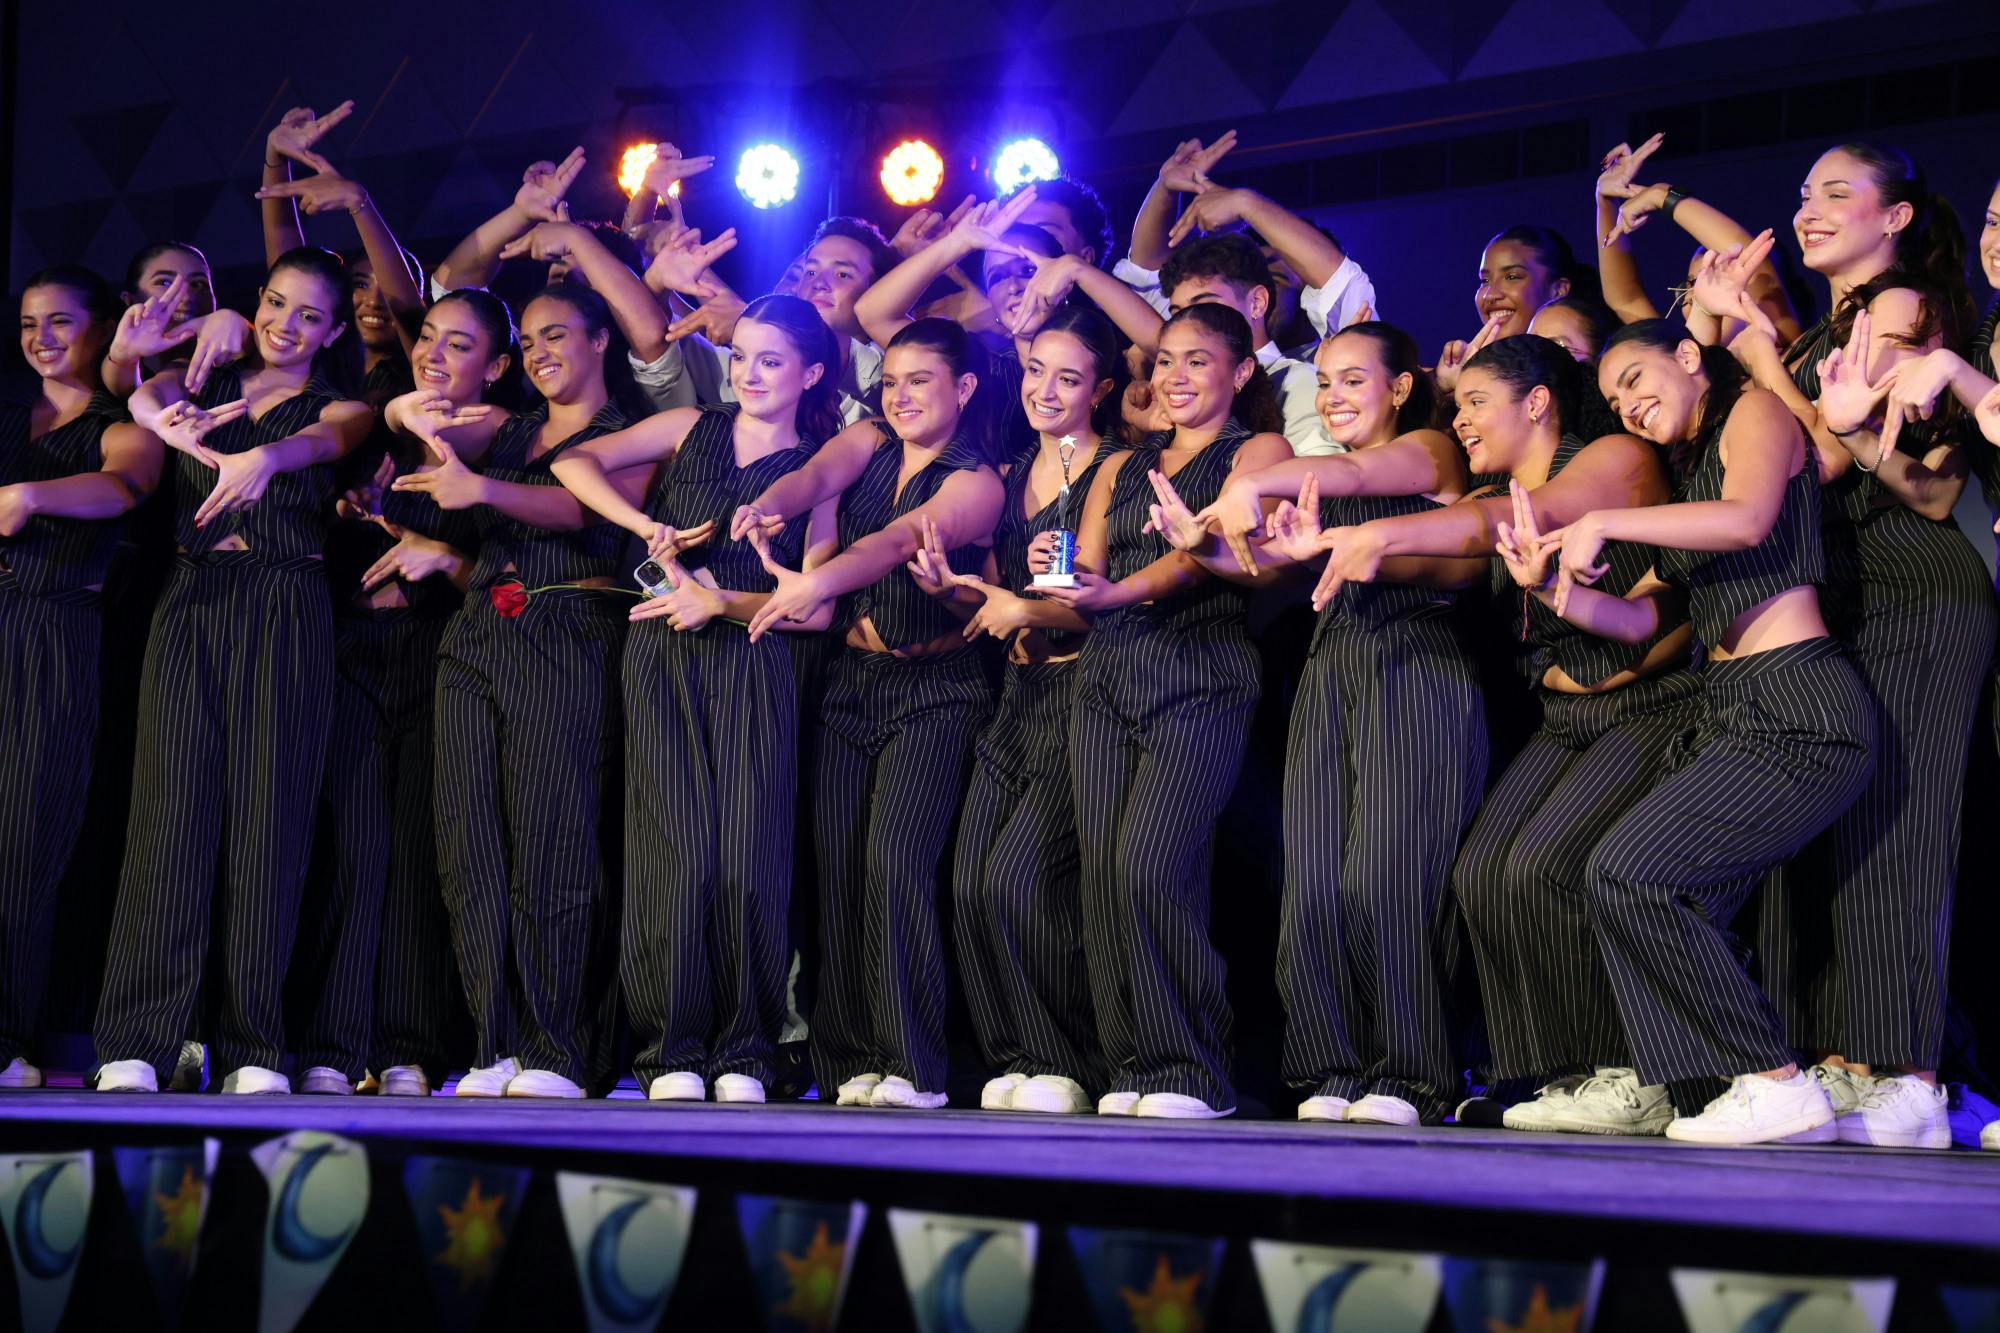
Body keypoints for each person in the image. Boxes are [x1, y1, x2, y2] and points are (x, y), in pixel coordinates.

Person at [1523, 319, 1875, 1146]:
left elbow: (1749, 519)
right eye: (1614, 401)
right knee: (1625, 878)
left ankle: (1772, 1080)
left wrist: (1606, 519)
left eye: (1639, 379)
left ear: (1688, 357)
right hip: (1736, 708)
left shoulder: (1755, 411)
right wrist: (1549, 589)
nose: (1631, 405)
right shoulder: (1689, 483)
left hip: (1799, 703)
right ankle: (1700, 1084)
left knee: (1630, 872)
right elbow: (1639, 616)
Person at [1720, 144, 1993, 1150]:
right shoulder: (1841, 320)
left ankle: (1908, 1072)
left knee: (1899, 824)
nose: (1807, 210)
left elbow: (1842, 459)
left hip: (1916, 586)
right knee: (1836, 827)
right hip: (1851, 589)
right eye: (1799, 195)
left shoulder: (1900, 308)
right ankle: (1844, 1055)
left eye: (1837, 194)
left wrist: (1756, 361)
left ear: (1897, 216)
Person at [1155, 320, 1484, 1125]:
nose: (1332, 397)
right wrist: (1199, 542)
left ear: (1400, 388)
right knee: (1313, 883)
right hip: (1333, 665)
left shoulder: (1428, 451)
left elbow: (1362, 468)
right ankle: (1332, 1067)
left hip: (1416, 665)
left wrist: (1251, 483)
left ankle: (1412, 1073)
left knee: (1388, 877)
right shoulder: (1320, 483)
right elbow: (1261, 562)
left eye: (1352, 380)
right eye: (1324, 382)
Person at [548, 294, 852, 1104]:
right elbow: (572, 463)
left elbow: (816, 607)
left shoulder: (819, 467)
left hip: (757, 662)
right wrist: (640, 523)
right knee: (673, 856)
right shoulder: (693, 427)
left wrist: (723, 602)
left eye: (772, 360)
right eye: (742, 355)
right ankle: (669, 1051)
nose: (750, 373)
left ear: (811, 372)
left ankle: (745, 1050)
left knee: (750, 861)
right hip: (664, 656)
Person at [93, 247, 374, 1095]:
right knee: (167, 818)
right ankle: (141, 1037)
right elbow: (132, 387)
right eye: (278, 305)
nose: (288, 326)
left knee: (269, 824)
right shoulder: (206, 380)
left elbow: (327, 440)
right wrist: (155, 401)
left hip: (285, 605)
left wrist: (267, 458)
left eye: (309, 316)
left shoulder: (342, 406)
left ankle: (253, 1044)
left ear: (330, 333)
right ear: (259, 302)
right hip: (192, 599)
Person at [393, 278, 655, 1100]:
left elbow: (587, 513)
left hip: (569, 640)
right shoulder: (508, 427)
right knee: (467, 844)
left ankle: (559, 1049)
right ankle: (493, 1042)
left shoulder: (627, 433)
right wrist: (411, 419)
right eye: (530, 343)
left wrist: (481, 491)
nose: (541, 355)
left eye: (557, 337)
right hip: (476, 636)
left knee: (553, 845)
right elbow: (406, 408)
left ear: (600, 340)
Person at [1031, 302, 1292, 1119]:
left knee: (1153, 865)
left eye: (1197, 362)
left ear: (1240, 372)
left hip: (1202, 665)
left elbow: (1217, 562)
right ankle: (1133, 1065)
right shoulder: (1124, 462)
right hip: (1108, 668)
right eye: (1164, 363)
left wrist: (1115, 590)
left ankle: (1192, 1068)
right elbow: (1091, 580)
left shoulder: (1257, 452)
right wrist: (1056, 568)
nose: (1174, 378)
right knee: (1106, 876)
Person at [743, 318, 1005, 1111]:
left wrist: (816, 584)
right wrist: (767, 504)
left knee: (894, 865)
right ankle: (848, 1056)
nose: (899, 396)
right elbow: (817, 475)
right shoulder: (869, 441)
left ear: (962, 388)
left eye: (919, 381)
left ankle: (912, 1064)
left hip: (936, 688)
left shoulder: (977, 478)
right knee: (841, 872)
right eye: (890, 380)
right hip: (850, 682)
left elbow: (898, 540)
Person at [295, 290, 518, 1098]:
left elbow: (516, 590)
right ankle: (331, 1039)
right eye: (427, 336)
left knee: (424, 856)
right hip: (349, 652)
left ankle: (408, 1046)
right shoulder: (375, 424)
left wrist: (446, 561)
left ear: (495, 367)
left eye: (458, 345)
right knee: (352, 847)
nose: (434, 353)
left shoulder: (503, 445)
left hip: (442, 656)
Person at [947, 306, 1125, 1115]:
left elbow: (1093, 602)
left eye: (1068, 377)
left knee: (1023, 878)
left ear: (1102, 389)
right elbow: (1002, 592)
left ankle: (1070, 1059)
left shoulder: (1114, 467)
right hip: (1011, 693)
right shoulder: (1014, 464)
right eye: (1035, 371)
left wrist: (1021, 610)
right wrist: (959, 592)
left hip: (1080, 691)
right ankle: (1018, 1052)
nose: (1046, 390)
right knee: (971, 883)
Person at [0, 269, 165, 1090]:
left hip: (52, 626)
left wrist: (29, 494)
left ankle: (7, 1037)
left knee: (26, 838)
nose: (41, 338)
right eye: (30, 322)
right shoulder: (8, 411)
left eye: (60, 322)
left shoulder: (118, 420)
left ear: (104, 329)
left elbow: (125, 485)